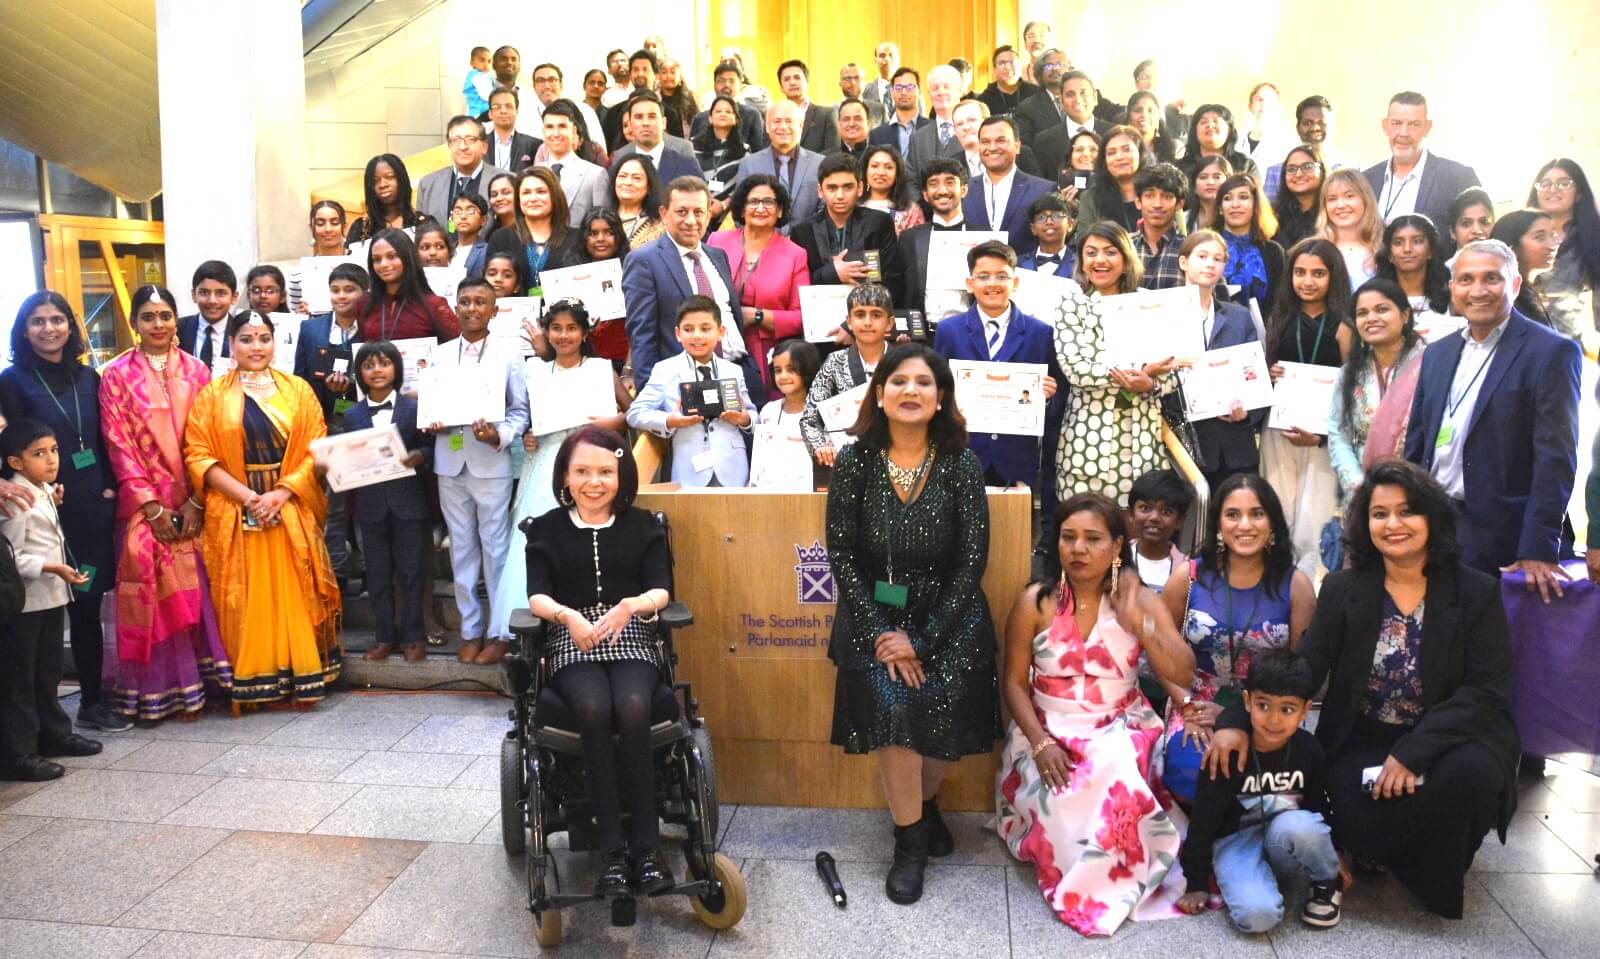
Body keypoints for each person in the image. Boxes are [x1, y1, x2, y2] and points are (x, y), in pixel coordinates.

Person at [1205, 459, 1520, 919]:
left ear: (1432, 517)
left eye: (1407, 511)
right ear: (1363, 523)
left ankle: (1427, 866)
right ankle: (1381, 851)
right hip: (1366, 736)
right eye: (1379, 513)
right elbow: (1302, 667)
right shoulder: (1343, 588)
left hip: (1453, 737)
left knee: (1471, 777)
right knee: (1351, 799)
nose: (1393, 524)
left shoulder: (1476, 592)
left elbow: (1488, 689)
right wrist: (1236, 719)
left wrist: (1414, 752)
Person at [825, 342, 999, 904]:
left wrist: (921, 640)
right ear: (879, 394)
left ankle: (921, 807)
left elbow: (971, 561)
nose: (911, 391)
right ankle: (910, 841)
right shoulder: (854, 462)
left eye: (924, 382)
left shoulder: (961, 464)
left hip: (948, 614)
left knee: (944, 707)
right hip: (874, 616)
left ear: (940, 397)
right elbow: (841, 553)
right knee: (897, 708)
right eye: (898, 381)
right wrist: (884, 635)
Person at [995, 493, 1193, 934]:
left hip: (1119, 722)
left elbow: (1183, 671)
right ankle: (1086, 874)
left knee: (1114, 770)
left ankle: (1105, 889)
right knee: (1060, 796)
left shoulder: (1139, 599)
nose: (1078, 549)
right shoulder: (1036, 602)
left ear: (1117, 545)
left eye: (1092, 538)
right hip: (1045, 728)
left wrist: (1140, 623)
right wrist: (1040, 743)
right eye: (1068, 537)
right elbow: (1012, 683)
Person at [524, 426, 675, 898]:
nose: (594, 482)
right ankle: (611, 853)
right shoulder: (545, 528)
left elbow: (662, 591)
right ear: (565, 477)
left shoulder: (644, 525)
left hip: (630, 635)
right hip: (573, 639)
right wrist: (567, 616)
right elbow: (537, 597)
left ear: (621, 475)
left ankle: (647, 851)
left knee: (633, 706)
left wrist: (632, 605)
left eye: (606, 472)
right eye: (583, 472)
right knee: (592, 708)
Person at [1403, 239, 1581, 594]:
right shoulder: (1437, 353)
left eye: (1491, 278)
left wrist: (1538, 546)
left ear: (1514, 284)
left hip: (1506, 539)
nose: (1478, 291)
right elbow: (1417, 445)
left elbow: (1556, 458)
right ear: (1452, 287)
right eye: (1466, 280)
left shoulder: (1551, 352)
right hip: (1436, 527)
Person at [183, 312, 341, 707]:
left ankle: (300, 675)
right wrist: (249, 497)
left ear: (275, 342)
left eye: (264, 338)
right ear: (231, 345)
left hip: (288, 505)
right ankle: (254, 678)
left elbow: (315, 448)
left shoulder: (298, 390)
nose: (256, 347)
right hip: (235, 507)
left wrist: (281, 493)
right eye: (247, 339)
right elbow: (198, 455)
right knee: (247, 594)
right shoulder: (212, 395)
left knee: (293, 590)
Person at [100, 285, 230, 722]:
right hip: (145, 508)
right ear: (134, 323)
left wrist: (195, 500)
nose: (158, 324)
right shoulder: (116, 375)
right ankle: (159, 692)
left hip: (194, 503)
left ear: (177, 319)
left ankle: (204, 686)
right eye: (148, 317)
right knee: (153, 591)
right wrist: (151, 506)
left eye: (165, 315)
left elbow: (211, 437)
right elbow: (118, 445)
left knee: (199, 589)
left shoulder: (198, 371)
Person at [0, 292, 127, 733]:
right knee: (43, 615)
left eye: (57, 319)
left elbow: (107, 436)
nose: (49, 328)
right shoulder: (11, 380)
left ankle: (92, 702)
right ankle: (39, 720)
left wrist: (110, 483)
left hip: (90, 507)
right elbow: (8, 445)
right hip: (41, 511)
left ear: (71, 326)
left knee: (87, 603)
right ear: (24, 330)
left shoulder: (90, 376)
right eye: (37, 321)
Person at [1159, 474, 1316, 804]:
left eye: (1256, 514)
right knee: (1193, 779)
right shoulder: (1187, 578)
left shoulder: (1296, 586)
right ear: (1218, 523)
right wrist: (1186, 705)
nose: (1245, 525)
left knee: (1261, 788)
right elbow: (1161, 655)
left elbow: (1300, 674)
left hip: (1268, 711)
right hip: (1196, 707)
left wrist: (1243, 717)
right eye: (1233, 514)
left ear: (1272, 522)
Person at [494, 300, 630, 652]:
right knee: (538, 536)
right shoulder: (535, 371)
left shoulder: (601, 369)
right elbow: (525, 416)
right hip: (546, 464)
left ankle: (583, 619)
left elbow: (631, 413)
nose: (564, 335)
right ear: (547, 332)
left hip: (591, 461)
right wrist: (528, 435)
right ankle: (530, 627)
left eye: (571, 328)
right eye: (556, 328)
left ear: (584, 333)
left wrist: (611, 422)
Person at [1177, 648, 1344, 931]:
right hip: (1236, 842)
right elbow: (1203, 820)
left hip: (1285, 838)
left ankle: (1327, 883)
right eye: (1263, 706)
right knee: (1258, 917)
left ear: (1305, 710)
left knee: (1301, 826)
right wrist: (1196, 882)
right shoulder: (1226, 754)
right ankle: (1254, 882)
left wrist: (1332, 855)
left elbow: (1317, 808)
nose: (1274, 720)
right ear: (1247, 701)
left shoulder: (1309, 750)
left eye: (1287, 709)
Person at [424, 279, 530, 665]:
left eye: (480, 302)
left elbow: (520, 410)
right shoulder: (439, 355)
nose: (472, 308)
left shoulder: (509, 353)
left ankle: (500, 632)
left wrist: (499, 436)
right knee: (461, 548)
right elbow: (430, 404)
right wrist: (430, 421)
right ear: (455, 307)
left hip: (490, 460)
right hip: (449, 459)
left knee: (495, 547)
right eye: (465, 301)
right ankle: (471, 629)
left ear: (494, 310)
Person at [0, 421, 102, 780]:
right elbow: (10, 556)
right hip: (26, 602)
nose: (51, 460)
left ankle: (54, 734)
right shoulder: (16, 499)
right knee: (22, 679)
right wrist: (51, 567)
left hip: (51, 597)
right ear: (15, 462)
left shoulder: (42, 490)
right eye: (39, 454)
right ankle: (19, 752)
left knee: (48, 672)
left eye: (54, 451)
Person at [1053, 223, 1172, 503]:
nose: (1100, 260)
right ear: (1081, 260)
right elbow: (1077, 369)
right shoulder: (1072, 304)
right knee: (1085, 524)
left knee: (1138, 524)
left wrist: (1150, 384)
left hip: (1144, 443)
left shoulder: (1150, 303)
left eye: (1110, 252)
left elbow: (1173, 369)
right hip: (1088, 445)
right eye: (1091, 252)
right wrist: (1140, 373)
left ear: (1126, 258)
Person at [933, 240, 1062, 487]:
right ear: (970, 283)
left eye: (1002, 276)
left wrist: (1047, 397)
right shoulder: (948, 331)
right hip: (962, 454)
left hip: (1017, 459)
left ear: (1016, 282)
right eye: (983, 277)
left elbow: (1056, 404)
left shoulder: (1041, 333)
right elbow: (937, 394)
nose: (992, 283)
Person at [1260, 238, 1351, 579]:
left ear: (1333, 276)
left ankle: (1311, 591)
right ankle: (1275, 584)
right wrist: (1268, 374)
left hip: (1322, 434)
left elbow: (1352, 383)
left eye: (1318, 273)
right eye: (1300, 272)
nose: (1307, 281)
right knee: (1278, 509)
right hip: (1279, 429)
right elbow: (1260, 373)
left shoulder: (1346, 323)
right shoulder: (1279, 317)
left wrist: (1324, 436)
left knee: (1314, 518)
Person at [337, 342, 430, 662]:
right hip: (370, 505)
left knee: (412, 571)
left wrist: (418, 456)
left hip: (409, 502)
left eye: (384, 363)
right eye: (368, 365)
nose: (377, 370)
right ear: (359, 373)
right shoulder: (352, 415)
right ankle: (384, 636)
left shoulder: (413, 408)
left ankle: (414, 636)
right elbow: (347, 457)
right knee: (377, 574)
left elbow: (431, 447)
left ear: (396, 368)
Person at [621, 176, 751, 390]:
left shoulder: (718, 256)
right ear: (664, 214)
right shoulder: (644, 260)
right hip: (684, 384)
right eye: (682, 212)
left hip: (738, 373)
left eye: (698, 212)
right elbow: (642, 334)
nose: (691, 220)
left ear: (708, 215)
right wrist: (651, 395)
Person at [626, 296, 755, 487]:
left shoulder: (733, 371)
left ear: (720, 332)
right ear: (677, 334)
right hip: (689, 471)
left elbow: (753, 414)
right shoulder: (665, 370)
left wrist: (744, 419)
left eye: (705, 328)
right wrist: (670, 421)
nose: (697, 336)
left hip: (733, 469)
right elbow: (635, 414)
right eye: (688, 329)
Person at [708, 175, 810, 401]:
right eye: (753, 201)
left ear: (780, 210)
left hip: (766, 353)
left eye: (769, 202)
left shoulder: (796, 254)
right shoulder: (716, 241)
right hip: (717, 346)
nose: (761, 208)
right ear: (741, 208)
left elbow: (801, 316)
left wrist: (757, 316)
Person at [1183, 230, 1265, 492]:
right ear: (1183, 261)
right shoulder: (1164, 313)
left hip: (1231, 446)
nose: (1210, 264)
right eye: (1202, 256)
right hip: (1182, 442)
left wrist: (1246, 414)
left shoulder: (1239, 317)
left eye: (1218, 259)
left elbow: (1255, 378)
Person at [1329, 278, 1425, 498]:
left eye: (1382, 309)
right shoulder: (1349, 374)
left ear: (1405, 315)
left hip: (1417, 488)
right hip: (1363, 491)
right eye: (1362, 313)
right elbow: (1338, 434)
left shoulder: (1429, 366)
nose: (1371, 318)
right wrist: (1359, 485)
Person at [793, 153, 906, 304]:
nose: (840, 195)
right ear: (820, 191)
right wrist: (832, 272)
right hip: (820, 311)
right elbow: (798, 288)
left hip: (868, 311)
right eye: (832, 188)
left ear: (860, 188)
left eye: (848, 187)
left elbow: (894, 281)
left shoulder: (879, 223)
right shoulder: (803, 232)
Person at [801, 283, 896, 464]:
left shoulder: (905, 362)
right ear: (849, 321)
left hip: (897, 461)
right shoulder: (834, 362)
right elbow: (810, 419)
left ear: (889, 323)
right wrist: (820, 446)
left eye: (876, 315)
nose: (867, 322)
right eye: (860, 315)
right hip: (848, 461)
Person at [1362, 91, 1480, 227]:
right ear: (1385, 126)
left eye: (1414, 124)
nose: (1404, 133)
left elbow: (1479, 235)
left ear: (1427, 128)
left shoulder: (1458, 178)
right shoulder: (1366, 180)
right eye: (1396, 123)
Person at [961, 116, 1055, 257]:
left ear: (1017, 146)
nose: (992, 147)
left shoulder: (1043, 190)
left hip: (1025, 269)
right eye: (985, 142)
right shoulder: (963, 191)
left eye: (1000, 141)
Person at [1528, 158, 1600, 335]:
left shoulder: (1593, 239)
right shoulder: (1518, 235)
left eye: (1564, 183)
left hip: (1569, 340)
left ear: (1579, 193)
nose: (1553, 189)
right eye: (1545, 184)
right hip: (1522, 338)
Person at [489, 167, 584, 291]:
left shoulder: (576, 239)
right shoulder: (501, 238)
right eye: (526, 193)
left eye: (541, 191)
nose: (533, 199)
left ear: (554, 196)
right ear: (518, 199)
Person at [896, 158, 970, 314]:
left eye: (950, 183)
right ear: (925, 195)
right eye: (934, 184)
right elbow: (901, 291)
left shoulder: (984, 236)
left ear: (964, 190)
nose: (942, 191)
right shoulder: (909, 239)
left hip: (970, 327)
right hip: (923, 327)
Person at [734, 99, 824, 226]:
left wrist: (806, 235)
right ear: (767, 126)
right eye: (777, 121)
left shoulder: (819, 163)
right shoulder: (749, 164)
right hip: (762, 237)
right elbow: (740, 210)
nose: (783, 127)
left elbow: (825, 208)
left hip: (808, 237)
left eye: (789, 121)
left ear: (800, 126)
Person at [359, 229, 460, 342]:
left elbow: (458, 347)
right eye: (377, 259)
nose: (383, 264)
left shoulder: (434, 305)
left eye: (391, 256)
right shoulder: (364, 305)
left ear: (407, 257)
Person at [416, 115, 508, 230]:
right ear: (449, 146)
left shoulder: (506, 181)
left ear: (484, 146)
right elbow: (421, 231)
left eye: (470, 140)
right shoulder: (428, 184)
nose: (463, 147)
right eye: (456, 140)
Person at [1217, 173, 1285, 317]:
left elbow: (1280, 303)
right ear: (1220, 208)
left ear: (1255, 206)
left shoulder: (1273, 252)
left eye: (1243, 197)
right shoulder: (1206, 247)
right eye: (1228, 198)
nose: (1235, 205)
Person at [573, 209, 634, 367]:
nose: (600, 239)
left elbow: (641, 325)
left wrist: (628, 369)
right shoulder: (570, 274)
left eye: (609, 233)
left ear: (618, 237)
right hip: (582, 362)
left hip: (625, 362)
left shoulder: (633, 272)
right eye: (593, 234)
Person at [538, 99, 610, 229]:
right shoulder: (533, 174)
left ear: (574, 131)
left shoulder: (595, 175)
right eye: (549, 127)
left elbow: (602, 225)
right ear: (543, 132)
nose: (555, 133)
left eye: (562, 126)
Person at [1031, 70, 1116, 179]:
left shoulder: (1114, 134)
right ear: (1061, 102)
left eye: (1083, 93)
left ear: (1095, 98)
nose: (1078, 100)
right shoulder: (1044, 141)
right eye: (1070, 94)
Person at [608, 91, 701, 184]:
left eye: (652, 117)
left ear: (664, 123)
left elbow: (699, 190)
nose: (645, 123)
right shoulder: (619, 157)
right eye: (638, 117)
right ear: (630, 124)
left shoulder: (684, 157)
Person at [1072, 125, 1147, 240]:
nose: (1119, 157)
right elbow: (1084, 243)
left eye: (1126, 150)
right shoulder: (1090, 199)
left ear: (1140, 154)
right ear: (1104, 161)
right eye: (1111, 153)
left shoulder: (1159, 190)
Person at [1491, 209, 1559, 328]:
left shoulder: (1531, 291)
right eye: (1540, 237)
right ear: (1512, 246)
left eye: (1552, 235)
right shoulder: (1505, 300)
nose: (1552, 245)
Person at [1376, 213, 1451, 318]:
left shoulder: (1451, 297)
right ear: (1389, 255)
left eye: (1417, 241)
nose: (1407, 249)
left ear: (1431, 251)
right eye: (1398, 243)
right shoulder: (1373, 297)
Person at [1261, 96, 1336, 200]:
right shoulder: (1276, 173)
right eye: (1307, 123)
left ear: (1332, 126)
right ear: (1298, 128)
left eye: (1321, 122)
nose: (1315, 128)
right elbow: (1267, 210)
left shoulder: (1348, 170)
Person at [1318, 168, 1381, 289]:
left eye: (1349, 196)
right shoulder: (1315, 249)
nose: (1340, 205)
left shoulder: (1384, 246)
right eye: (1332, 199)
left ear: (1365, 199)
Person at [1131, 162, 1189, 290]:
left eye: (1167, 196)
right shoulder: (1124, 246)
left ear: (1179, 204)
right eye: (1149, 196)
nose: (1157, 204)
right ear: (1138, 202)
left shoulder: (1191, 249)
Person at [345, 154, 426, 245]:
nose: (382, 185)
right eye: (375, 180)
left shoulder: (421, 222)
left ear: (402, 179)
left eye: (389, 177)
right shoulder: (362, 228)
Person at [904, 65, 965, 181]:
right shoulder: (917, 138)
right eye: (935, 88)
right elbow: (911, 181)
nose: (941, 92)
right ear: (929, 94)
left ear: (959, 91)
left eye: (946, 87)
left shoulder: (973, 131)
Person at [691, 61, 767, 154]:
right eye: (721, 81)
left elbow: (758, 152)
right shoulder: (700, 118)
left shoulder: (752, 115)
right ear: (714, 85)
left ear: (740, 85)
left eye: (732, 81)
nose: (726, 85)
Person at [287, 200, 349, 312]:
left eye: (334, 223)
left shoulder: (362, 263)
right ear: (312, 228)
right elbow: (295, 315)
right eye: (320, 223)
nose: (328, 229)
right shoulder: (298, 274)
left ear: (344, 227)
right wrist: (301, 314)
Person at [772, 59, 839, 155]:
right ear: (781, 88)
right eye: (787, 79)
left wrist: (805, 163)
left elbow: (833, 151)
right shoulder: (772, 117)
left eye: (797, 78)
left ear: (807, 82)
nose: (792, 82)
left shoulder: (827, 114)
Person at [177, 260, 238, 364]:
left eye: (221, 293)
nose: (212, 301)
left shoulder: (241, 331)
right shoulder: (178, 329)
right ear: (194, 295)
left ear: (234, 297)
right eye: (204, 292)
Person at [1181, 104, 1259, 185]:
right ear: (1195, 131)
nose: (1210, 125)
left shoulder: (1246, 166)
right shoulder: (1181, 168)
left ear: (1229, 130)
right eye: (1203, 122)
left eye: (1216, 121)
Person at [1270, 144, 1328, 253]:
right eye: (1291, 169)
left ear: (1322, 170)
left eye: (1308, 167)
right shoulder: (1272, 215)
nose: (1298, 174)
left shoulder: (1332, 213)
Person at [866, 66, 929, 163]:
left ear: (919, 91)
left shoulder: (933, 129)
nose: (904, 92)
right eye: (898, 88)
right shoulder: (876, 135)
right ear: (892, 92)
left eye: (910, 87)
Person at [860, 145, 925, 236]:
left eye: (888, 167)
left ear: (897, 174)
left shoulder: (911, 211)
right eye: (874, 166)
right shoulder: (853, 206)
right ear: (866, 171)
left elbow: (917, 242)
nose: (881, 173)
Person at [610, 154, 667, 248]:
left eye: (636, 178)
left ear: (649, 186)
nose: (628, 182)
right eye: (622, 176)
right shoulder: (601, 218)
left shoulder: (661, 225)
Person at [485, 88, 542, 174]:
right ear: (490, 113)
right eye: (497, 107)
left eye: (509, 106)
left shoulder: (534, 145)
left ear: (516, 111)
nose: (503, 111)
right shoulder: (479, 144)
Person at [1018, 193, 1075, 278]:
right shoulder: (1017, 264)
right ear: (1033, 228)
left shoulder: (1082, 264)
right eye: (1041, 217)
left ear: (1070, 224)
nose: (1049, 222)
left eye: (1057, 216)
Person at [692, 94, 748, 175]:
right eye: (718, 111)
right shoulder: (693, 146)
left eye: (728, 112)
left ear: (736, 120)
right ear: (710, 118)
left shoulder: (744, 150)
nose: (723, 114)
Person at [976, 44, 1038, 117]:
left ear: (1020, 66)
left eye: (1012, 62)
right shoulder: (984, 100)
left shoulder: (1035, 93)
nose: (1008, 67)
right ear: (994, 69)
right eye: (1002, 63)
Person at [1125, 91, 1177, 164]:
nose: (1144, 115)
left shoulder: (1173, 149)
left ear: (1158, 116)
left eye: (1150, 111)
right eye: (1138, 111)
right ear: (1129, 117)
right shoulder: (1121, 147)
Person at [1443, 186, 1495, 259]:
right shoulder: (1442, 266)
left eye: (1484, 222)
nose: (1477, 230)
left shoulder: (1507, 264)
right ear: (1452, 232)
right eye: (1466, 223)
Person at [1184, 154, 1232, 234]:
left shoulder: (1235, 217)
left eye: (1217, 177)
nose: (1210, 182)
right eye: (1203, 177)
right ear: (1194, 187)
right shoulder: (1183, 221)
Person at [654, 58, 698, 141]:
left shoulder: (689, 97)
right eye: (664, 72)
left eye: (672, 72)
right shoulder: (654, 98)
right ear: (658, 76)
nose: (668, 76)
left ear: (680, 77)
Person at [449, 192, 490, 275]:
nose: (463, 216)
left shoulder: (487, 251)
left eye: (470, 211)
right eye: (458, 211)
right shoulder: (447, 250)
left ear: (483, 220)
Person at [1056, 129, 1100, 205]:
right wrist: (1064, 206)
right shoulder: (1055, 190)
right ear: (1070, 156)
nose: (1086, 154)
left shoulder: (1115, 188)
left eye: (1093, 149)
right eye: (1079, 149)